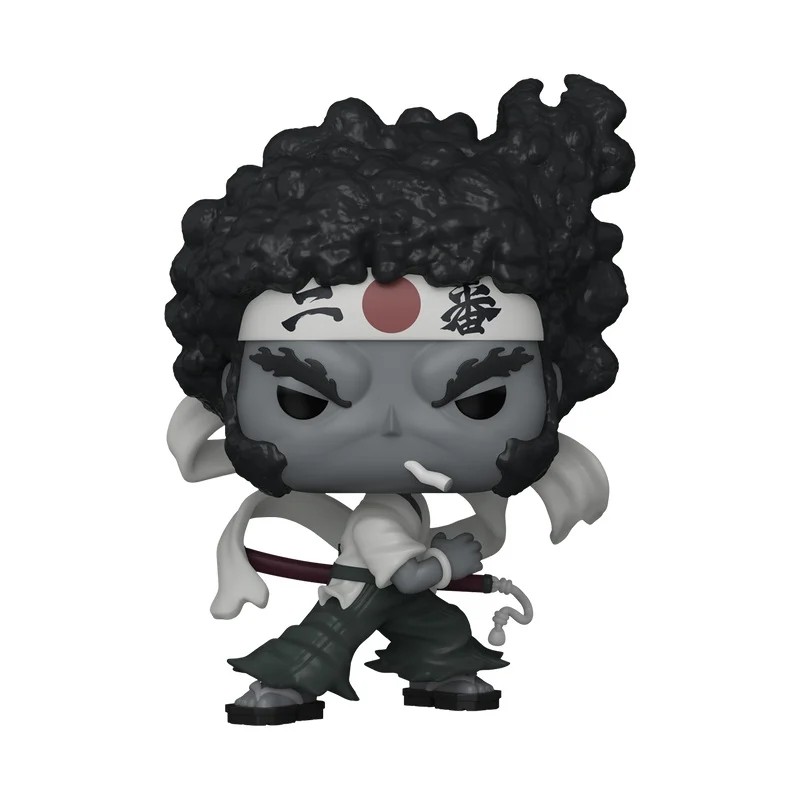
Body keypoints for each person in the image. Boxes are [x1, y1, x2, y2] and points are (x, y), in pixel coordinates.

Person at [165, 74, 635, 725]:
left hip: (381, 583)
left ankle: (444, 668)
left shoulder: (395, 507)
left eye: (479, 400)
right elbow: (411, 575)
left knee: (430, 625)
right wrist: (450, 558)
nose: (389, 426)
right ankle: (282, 685)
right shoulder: (379, 522)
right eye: (305, 399)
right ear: (229, 389)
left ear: (553, 386)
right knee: (330, 640)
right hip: (363, 592)